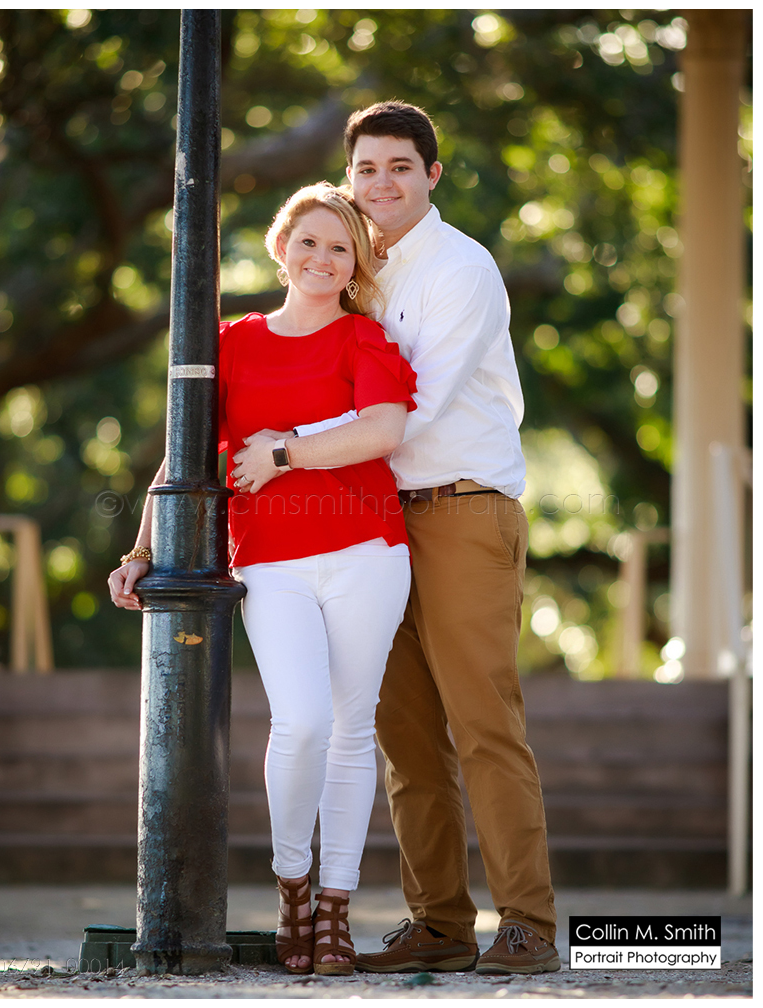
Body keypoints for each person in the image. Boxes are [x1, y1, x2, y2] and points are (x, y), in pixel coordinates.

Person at [232, 101, 560, 976]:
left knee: (482, 721)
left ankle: (527, 923)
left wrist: (285, 448)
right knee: (401, 734)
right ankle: (440, 922)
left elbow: (408, 414)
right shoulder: (351, 269)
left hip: (458, 509)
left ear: (431, 176)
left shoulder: (461, 269)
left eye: (400, 167)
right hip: (370, 527)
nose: (382, 183)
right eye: (367, 168)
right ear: (349, 178)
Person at [108, 182, 418, 977]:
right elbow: (182, 454)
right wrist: (140, 551)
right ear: (281, 248)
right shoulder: (233, 344)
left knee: (352, 731)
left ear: (355, 265)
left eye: (340, 248)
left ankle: (336, 909)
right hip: (269, 560)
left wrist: (282, 452)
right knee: (303, 722)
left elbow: (383, 429)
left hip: (367, 551)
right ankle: (293, 886)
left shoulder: (363, 339)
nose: (322, 258)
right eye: (308, 241)